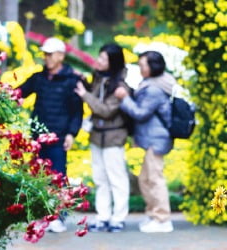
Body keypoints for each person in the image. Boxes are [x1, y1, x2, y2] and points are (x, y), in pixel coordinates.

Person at [18, 37, 83, 233]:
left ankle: (57, 217)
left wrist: (72, 133)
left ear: (61, 56)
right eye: (45, 54)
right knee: (38, 177)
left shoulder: (72, 79)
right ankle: (42, 216)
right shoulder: (39, 78)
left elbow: (76, 111)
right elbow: (19, 93)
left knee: (57, 178)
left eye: (50, 54)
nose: (46, 58)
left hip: (59, 137)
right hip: (38, 137)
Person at [114, 51, 176, 233]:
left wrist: (124, 98)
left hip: (157, 140)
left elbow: (140, 113)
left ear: (153, 66)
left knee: (155, 179)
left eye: (144, 65)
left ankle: (163, 219)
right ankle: (153, 215)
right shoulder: (152, 84)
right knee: (146, 179)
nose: (141, 69)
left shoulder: (155, 89)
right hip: (151, 138)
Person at [74, 43, 130, 233]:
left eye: (104, 59)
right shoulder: (100, 78)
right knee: (100, 178)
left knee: (117, 178)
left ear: (113, 62)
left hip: (113, 136)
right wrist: (86, 85)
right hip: (97, 136)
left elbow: (106, 110)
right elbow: (96, 96)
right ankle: (102, 216)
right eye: (100, 57)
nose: (99, 61)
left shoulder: (120, 86)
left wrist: (85, 95)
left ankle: (118, 218)